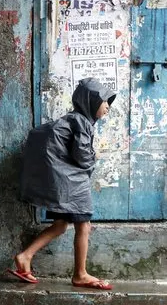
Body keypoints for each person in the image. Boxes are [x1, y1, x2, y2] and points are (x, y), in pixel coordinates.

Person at [9, 78, 116, 290]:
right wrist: (95, 156)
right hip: (73, 186)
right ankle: (80, 274)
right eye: (104, 102)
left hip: (61, 184)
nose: (107, 107)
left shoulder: (71, 119)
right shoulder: (83, 123)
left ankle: (25, 256)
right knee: (84, 226)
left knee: (59, 226)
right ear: (90, 102)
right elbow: (82, 156)